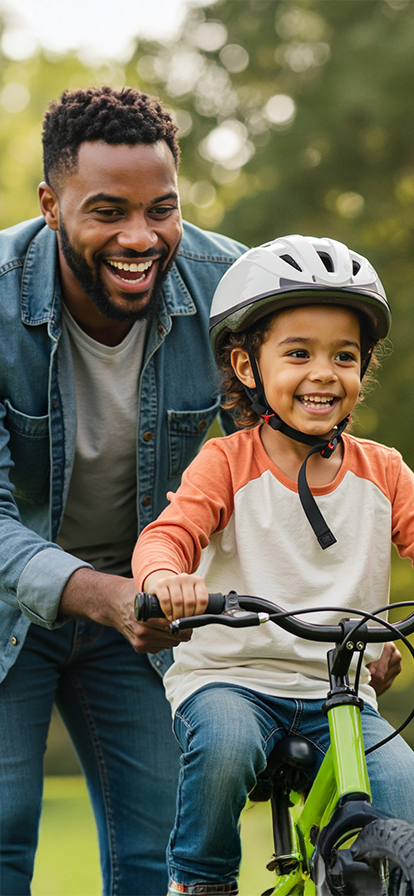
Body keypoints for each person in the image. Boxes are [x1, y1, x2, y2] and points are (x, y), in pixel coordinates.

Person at [0, 86, 249, 896]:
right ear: (50, 204)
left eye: (162, 210)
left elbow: (283, 467)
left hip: (143, 610)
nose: (140, 238)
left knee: (162, 852)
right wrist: (100, 593)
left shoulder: (230, 292)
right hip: (10, 605)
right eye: (107, 211)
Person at [132, 234, 414, 896]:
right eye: (299, 353)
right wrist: (164, 579)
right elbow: (167, 535)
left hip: (341, 689)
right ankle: (199, 881)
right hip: (235, 677)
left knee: (401, 784)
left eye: (344, 356)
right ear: (247, 366)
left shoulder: (386, 471)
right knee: (225, 745)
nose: (324, 372)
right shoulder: (227, 463)